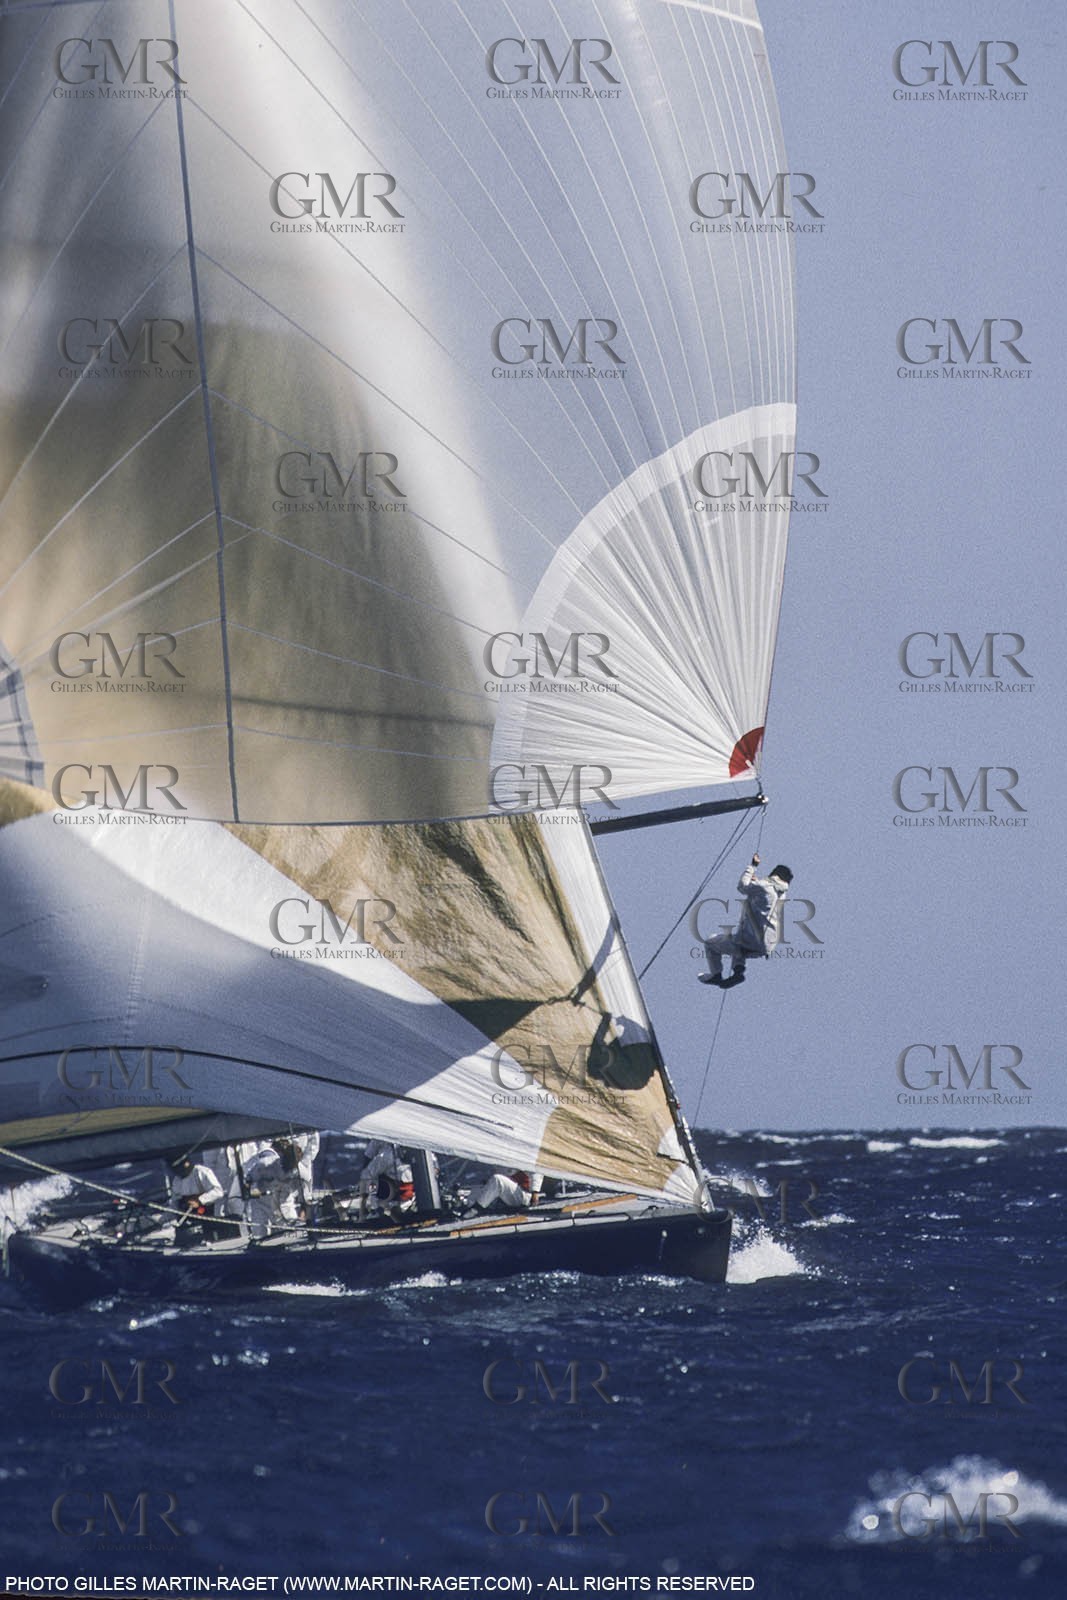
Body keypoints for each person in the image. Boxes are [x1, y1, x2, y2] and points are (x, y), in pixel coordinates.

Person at [698, 854, 793, 987]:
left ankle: (716, 974)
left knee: (710, 942)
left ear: (774, 875)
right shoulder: (781, 895)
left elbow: (742, 886)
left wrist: (753, 866)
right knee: (739, 944)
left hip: (752, 941)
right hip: (765, 947)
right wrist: (756, 883)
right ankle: (738, 973)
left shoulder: (764, 886)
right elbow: (765, 898)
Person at [169, 1156, 224, 1247]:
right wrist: (165, 1219)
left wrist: (200, 1200)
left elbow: (218, 1192)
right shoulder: (177, 1180)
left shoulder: (202, 1172)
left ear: (187, 1163)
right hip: (185, 1223)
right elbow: (174, 1203)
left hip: (206, 1218)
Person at [470, 1170, 543, 1214]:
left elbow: (536, 1170)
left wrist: (535, 1191)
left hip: (523, 1195)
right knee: (475, 1190)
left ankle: (476, 1209)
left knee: (498, 1180)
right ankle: (465, 1211)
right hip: (504, 1195)